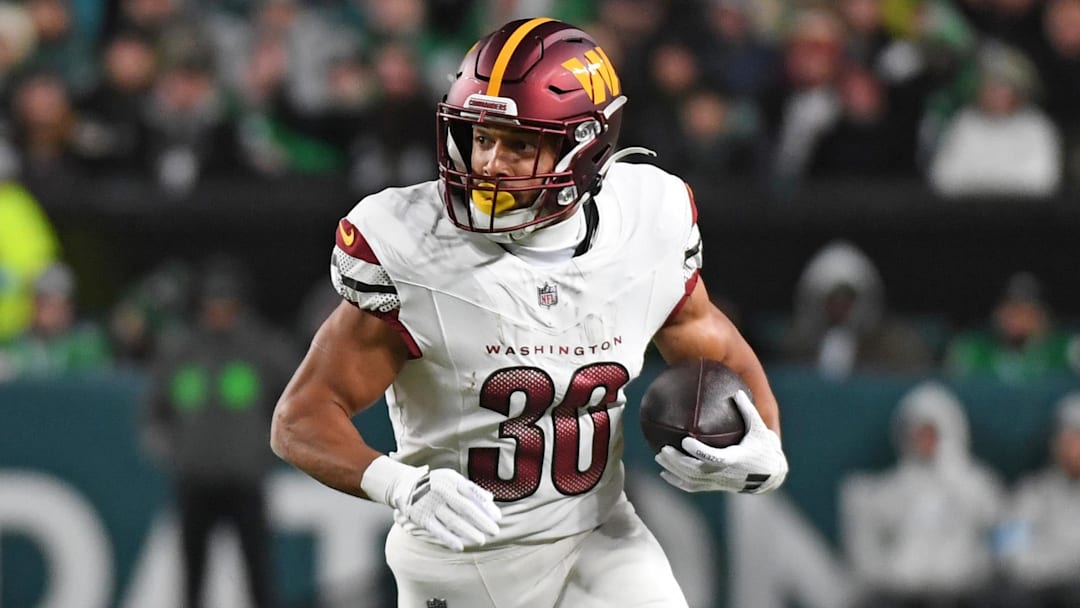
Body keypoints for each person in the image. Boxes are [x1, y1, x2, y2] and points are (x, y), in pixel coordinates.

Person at [270, 18, 789, 608]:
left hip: (598, 539)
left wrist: (765, 445)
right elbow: (299, 419)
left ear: (587, 148)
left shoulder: (646, 222)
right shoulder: (413, 248)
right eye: (481, 138)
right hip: (463, 563)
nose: (490, 164)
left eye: (520, 144)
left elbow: (712, 341)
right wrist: (403, 486)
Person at [142, 256, 297, 608]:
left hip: (244, 479)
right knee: (192, 577)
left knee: (258, 572)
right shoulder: (182, 350)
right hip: (195, 480)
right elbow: (154, 411)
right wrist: (176, 451)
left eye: (225, 304)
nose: (218, 312)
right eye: (212, 304)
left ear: (239, 305)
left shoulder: (260, 347)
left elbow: (297, 395)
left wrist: (266, 449)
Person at [840, 381, 1005, 608]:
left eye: (930, 433)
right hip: (902, 592)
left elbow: (1000, 531)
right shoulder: (892, 487)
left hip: (962, 591)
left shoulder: (977, 483)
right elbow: (868, 549)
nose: (923, 441)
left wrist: (979, 567)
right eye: (917, 433)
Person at [995, 392, 1080, 608]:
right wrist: (1054, 570)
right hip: (1040, 592)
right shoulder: (1032, 492)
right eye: (1071, 438)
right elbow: (1009, 551)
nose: (1075, 448)